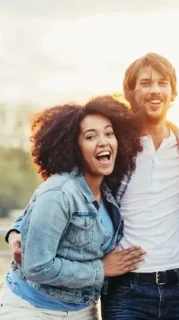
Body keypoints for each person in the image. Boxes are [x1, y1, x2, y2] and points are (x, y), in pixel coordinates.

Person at [6, 53, 179, 319]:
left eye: (163, 83)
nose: (155, 90)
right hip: (126, 290)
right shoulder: (114, 149)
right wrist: (17, 229)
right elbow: (56, 192)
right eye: (145, 83)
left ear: (173, 93)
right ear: (129, 93)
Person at [0, 96, 145, 319]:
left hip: (83, 309)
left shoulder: (109, 190)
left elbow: (32, 217)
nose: (104, 141)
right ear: (73, 146)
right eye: (90, 136)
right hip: (31, 309)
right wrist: (101, 269)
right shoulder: (59, 191)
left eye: (109, 133)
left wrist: (14, 231)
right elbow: (36, 267)